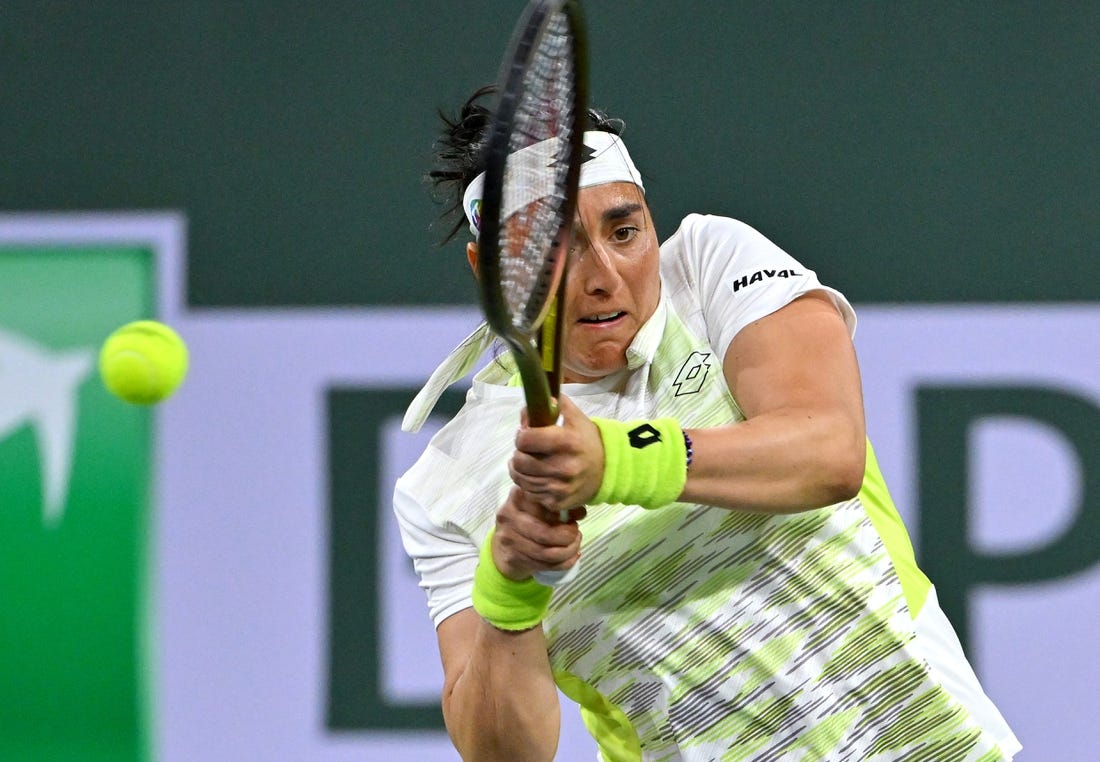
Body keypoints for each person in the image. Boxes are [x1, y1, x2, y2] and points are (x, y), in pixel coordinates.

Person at [395, 86, 1021, 761]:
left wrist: (612, 460)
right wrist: (509, 588)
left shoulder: (711, 266)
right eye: (557, 249)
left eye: (624, 230)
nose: (605, 275)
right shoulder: (445, 487)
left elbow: (827, 451)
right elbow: (500, 753)